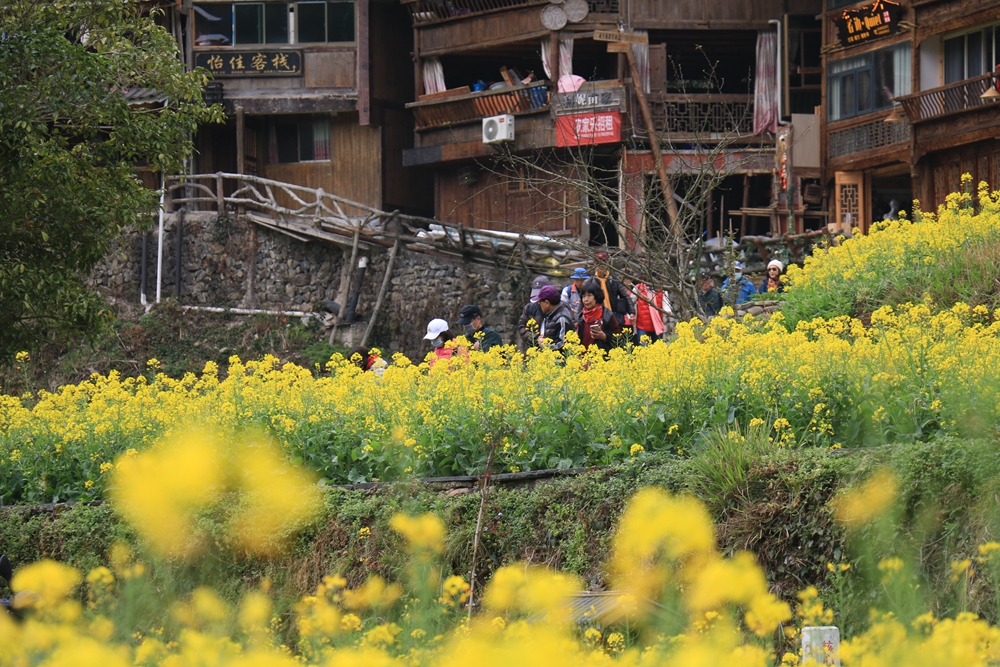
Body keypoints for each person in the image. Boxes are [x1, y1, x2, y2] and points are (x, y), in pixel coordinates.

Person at [592, 251, 634, 327]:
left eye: (603, 262)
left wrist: (631, 312)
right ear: (594, 264)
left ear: (607, 263)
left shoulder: (614, 280)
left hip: (614, 317)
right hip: (597, 318)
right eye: (598, 262)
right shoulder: (591, 282)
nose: (601, 265)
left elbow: (625, 296)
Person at [579, 279, 621, 352]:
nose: (586, 299)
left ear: (597, 297)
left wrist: (604, 337)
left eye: (589, 296)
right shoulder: (581, 316)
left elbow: (618, 338)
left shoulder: (607, 316)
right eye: (583, 296)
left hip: (600, 358)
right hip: (581, 358)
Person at [535, 285, 575, 351]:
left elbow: (562, 344)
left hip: (559, 360)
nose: (539, 304)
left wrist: (544, 344)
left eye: (540, 302)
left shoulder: (562, 318)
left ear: (547, 303)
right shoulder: (551, 314)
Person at [632, 280, 669, 344]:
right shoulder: (638, 288)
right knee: (643, 350)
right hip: (642, 327)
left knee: (658, 350)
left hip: (657, 327)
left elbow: (666, 305)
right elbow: (631, 301)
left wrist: (668, 312)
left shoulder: (662, 290)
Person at [518, 275, 549, 348]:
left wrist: (547, 340)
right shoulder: (529, 308)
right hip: (535, 350)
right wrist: (535, 338)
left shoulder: (557, 307)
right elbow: (522, 327)